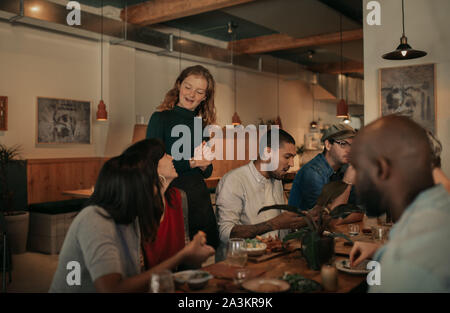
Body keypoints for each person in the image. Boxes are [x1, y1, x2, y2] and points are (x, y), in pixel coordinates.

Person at [49, 139, 214, 292]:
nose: (156, 189)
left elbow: (139, 274)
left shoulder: (132, 217)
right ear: (132, 188)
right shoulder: (95, 219)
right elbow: (112, 289)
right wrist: (183, 255)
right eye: (150, 183)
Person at [350, 115, 450, 292]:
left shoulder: (405, 263)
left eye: (358, 168)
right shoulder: (442, 205)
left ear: (382, 169)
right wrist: (380, 251)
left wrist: (392, 256)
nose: (356, 180)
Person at [146, 65, 220, 249]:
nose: (192, 94)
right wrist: (193, 162)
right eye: (188, 87)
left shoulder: (199, 124)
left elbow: (207, 171)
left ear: (205, 97)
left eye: (199, 91)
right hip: (172, 198)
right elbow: (152, 163)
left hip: (199, 199)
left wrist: (203, 164)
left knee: (205, 259)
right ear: (178, 85)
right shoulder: (160, 118)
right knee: (177, 260)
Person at [215, 129, 306, 261]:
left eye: (293, 157)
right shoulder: (234, 180)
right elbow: (225, 233)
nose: (291, 164)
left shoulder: (276, 179)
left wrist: (301, 221)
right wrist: (274, 224)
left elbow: (281, 229)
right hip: (239, 263)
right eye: (287, 157)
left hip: (271, 259)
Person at [288, 124, 364, 225]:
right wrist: (347, 182)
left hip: (334, 234)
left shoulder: (346, 168)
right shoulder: (312, 173)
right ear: (328, 145)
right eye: (343, 144)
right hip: (303, 236)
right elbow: (324, 220)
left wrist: (336, 219)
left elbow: (359, 211)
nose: (349, 150)